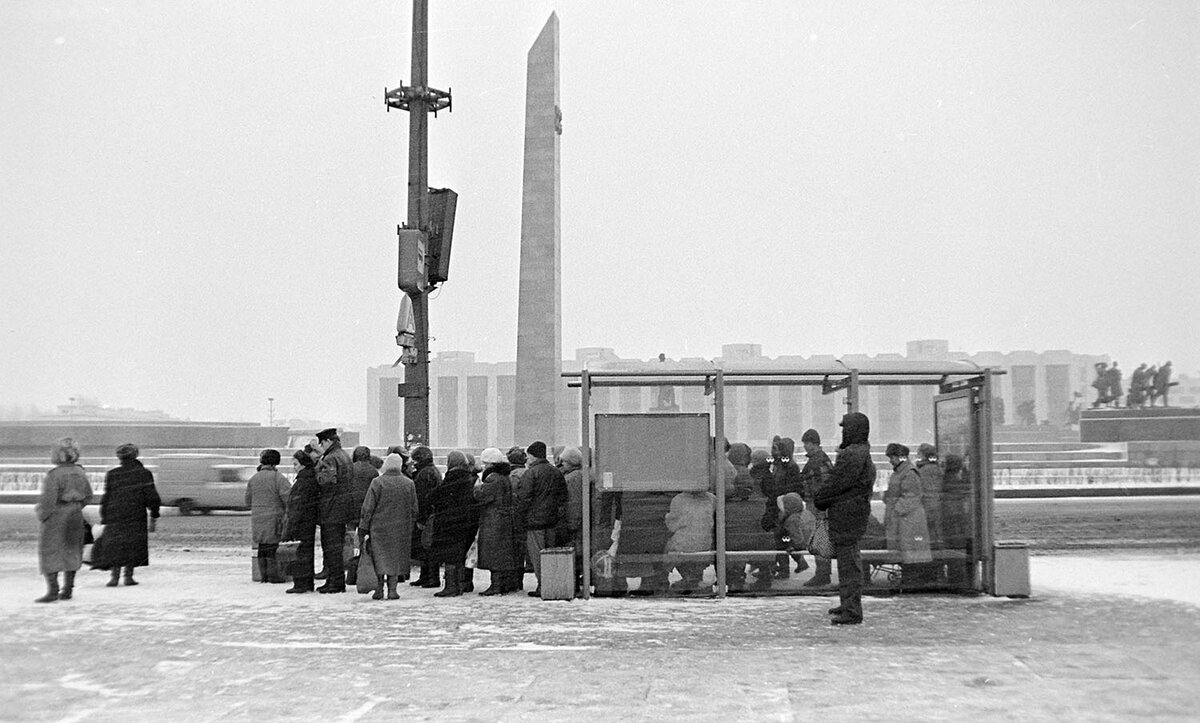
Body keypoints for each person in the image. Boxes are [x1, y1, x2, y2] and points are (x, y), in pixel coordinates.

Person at [814, 413, 876, 625]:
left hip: (847, 516)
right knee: (849, 561)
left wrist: (822, 498)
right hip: (852, 514)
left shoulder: (852, 454)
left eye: (845, 428)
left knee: (848, 564)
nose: (843, 432)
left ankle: (851, 610)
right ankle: (848, 603)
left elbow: (837, 482)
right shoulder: (861, 451)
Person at [34, 438, 94, 603]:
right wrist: (77, 506)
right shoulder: (81, 472)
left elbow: (48, 500)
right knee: (72, 550)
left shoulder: (54, 475)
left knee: (50, 551)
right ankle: (68, 589)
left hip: (57, 516)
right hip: (75, 515)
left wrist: (42, 514)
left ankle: (53, 590)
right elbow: (89, 495)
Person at [96, 443, 161, 587]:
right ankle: (128, 576)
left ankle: (114, 576)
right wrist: (154, 512)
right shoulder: (144, 474)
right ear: (135, 455)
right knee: (132, 544)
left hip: (115, 514)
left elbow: (107, 496)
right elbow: (151, 496)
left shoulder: (113, 474)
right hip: (135, 514)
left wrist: (104, 514)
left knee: (116, 545)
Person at [358, 452, 418, 600]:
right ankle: (393, 589)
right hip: (400, 528)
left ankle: (379, 589)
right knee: (395, 558)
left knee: (379, 558)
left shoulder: (377, 482)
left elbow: (368, 507)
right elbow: (414, 507)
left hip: (379, 528)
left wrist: (364, 526)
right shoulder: (408, 483)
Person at [515, 441, 567, 598]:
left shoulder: (531, 473)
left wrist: (520, 516)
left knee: (537, 555)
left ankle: (543, 585)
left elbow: (523, 498)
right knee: (550, 554)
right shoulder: (556, 472)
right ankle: (551, 584)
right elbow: (563, 496)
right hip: (552, 521)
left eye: (528, 456)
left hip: (534, 522)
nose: (527, 459)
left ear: (533, 456)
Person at [425, 451, 481, 598]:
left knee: (450, 555)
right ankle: (460, 584)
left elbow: (435, 496)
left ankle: (450, 586)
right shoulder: (469, 478)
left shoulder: (452, 478)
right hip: (465, 522)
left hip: (449, 523)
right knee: (459, 555)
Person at [473, 447, 521, 595]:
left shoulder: (493, 478)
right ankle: (504, 584)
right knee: (502, 553)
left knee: (494, 554)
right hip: (504, 518)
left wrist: (477, 487)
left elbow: (481, 495)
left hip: (493, 520)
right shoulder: (504, 476)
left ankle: (496, 585)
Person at [883, 443, 933, 583]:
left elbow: (912, 496)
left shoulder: (908, 472)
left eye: (892, 457)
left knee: (910, 552)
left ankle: (912, 580)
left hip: (908, 520)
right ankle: (910, 579)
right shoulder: (902, 471)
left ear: (901, 457)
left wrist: (896, 510)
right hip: (904, 518)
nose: (890, 460)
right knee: (907, 552)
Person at [314, 428, 354, 594]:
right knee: (335, 546)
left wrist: (317, 467)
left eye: (322, 443)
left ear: (328, 441)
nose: (321, 446)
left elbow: (326, 480)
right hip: (343, 506)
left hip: (331, 508)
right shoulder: (344, 455)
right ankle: (333, 580)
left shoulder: (331, 458)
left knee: (332, 547)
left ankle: (336, 582)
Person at [245, 449, 291, 583]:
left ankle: (263, 576)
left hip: (258, 519)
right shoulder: (279, 478)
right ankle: (273, 576)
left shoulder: (253, 479)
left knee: (262, 547)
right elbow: (288, 498)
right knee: (272, 548)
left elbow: (247, 501)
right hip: (273, 519)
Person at [664, 486, 716, 595]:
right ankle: (693, 578)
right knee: (697, 546)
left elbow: (672, 525)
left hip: (683, 544)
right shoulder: (712, 499)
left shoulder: (678, 499)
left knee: (668, 547)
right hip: (706, 543)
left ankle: (666, 578)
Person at [799, 429, 834, 588]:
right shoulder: (820, 459)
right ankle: (823, 572)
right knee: (820, 538)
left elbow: (822, 485)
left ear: (814, 443)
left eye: (807, 443)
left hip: (819, 506)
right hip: (818, 504)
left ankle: (822, 574)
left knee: (820, 539)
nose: (805, 446)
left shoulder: (817, 461)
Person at [284, 446, 320, 593]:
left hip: (302, 522)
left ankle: (301, 584)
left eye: (295, 465)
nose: (294, 468)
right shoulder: (309, 478)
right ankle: (306, 582)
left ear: (303, 464)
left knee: (301, 553)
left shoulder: (304, 480)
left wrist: (292, 523)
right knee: (306, 552)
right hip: (308, 521)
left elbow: (298, 504)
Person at [344, 445, 379, 586]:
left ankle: (352, 569)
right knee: (366, 541)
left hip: (351, 508)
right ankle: (365, 566)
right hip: (367, 510)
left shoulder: (350, 469)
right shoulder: (373, 471)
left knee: (352, 540)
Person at [409, 446, 443, 588]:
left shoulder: (425, 474)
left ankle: (430, 577)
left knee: (427, 547)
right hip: (431, 514)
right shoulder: (431, 471)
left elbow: (422, 498)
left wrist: (421, 518)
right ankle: (426, 575)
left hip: (426, 515)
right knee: (427, 546)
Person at [940, 454, 973, 586]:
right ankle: (958, 577)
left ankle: (955, 576)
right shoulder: (956, 479)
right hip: (956, 518)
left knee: (953, 546)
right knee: (957, 547)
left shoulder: (946, 479)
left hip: (950, 517)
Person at [915, 443, 944, 553]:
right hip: (937, 504)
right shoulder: (938, 469)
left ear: (923, 455)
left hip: (925, 504)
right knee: (936, 532)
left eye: (919, 453)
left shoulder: (921, 471)